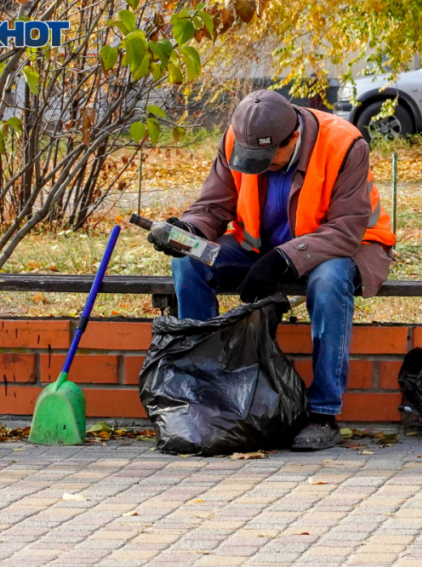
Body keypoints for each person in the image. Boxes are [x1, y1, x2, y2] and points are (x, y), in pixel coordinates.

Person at [152, 90, 395, 450]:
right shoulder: (238, 135)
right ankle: (205, 395)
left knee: (329, 283)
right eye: (251, 158)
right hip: (261, 249)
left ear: (293, 138)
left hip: (346, 247)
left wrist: (282, 259)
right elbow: (213, 206)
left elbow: (346, 230)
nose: (258, 165)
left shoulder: (345, 143)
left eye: (267, 157)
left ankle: (323, 414)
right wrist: (187, 231)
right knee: (189, 261)